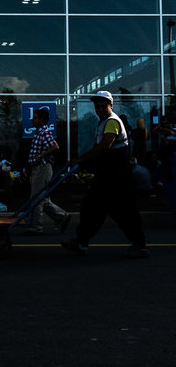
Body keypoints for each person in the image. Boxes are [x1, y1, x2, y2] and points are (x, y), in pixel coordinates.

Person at [61, 91, 148, 258]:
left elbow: (104, 147)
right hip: (107, 176)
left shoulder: (112, 122)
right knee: (91, 209)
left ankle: (140, 245)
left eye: (103, 105)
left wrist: (80, 160)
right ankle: (81, 242)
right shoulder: (104, 122)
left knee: (124, 213)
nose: (99, 109)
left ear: (111, 105)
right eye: (97, 106)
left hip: (117, 178)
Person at [24, 108, 70, 236]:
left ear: (42, 120)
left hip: (42, 168)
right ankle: (62, 217)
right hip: (38, 168)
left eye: (35, 117)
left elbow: (55, 146)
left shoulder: (44, 132)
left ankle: (36, 226)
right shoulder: (39, 132)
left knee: (37, 198)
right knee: (42, 197)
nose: (33, 120)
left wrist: (41, 156)